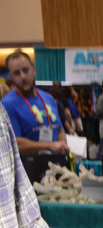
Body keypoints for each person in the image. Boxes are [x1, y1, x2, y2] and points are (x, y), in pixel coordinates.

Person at [2, 50, 69, 183]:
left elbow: (59, 129)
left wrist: (63, 146)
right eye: (17, 73)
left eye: (25, 70)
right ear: (11, 76)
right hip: (26, 174)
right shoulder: (7, 105)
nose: (23, 76)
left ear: (33, 70)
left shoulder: (48, 98)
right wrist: (49, 145)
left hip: (55, 169)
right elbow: (15, 143)